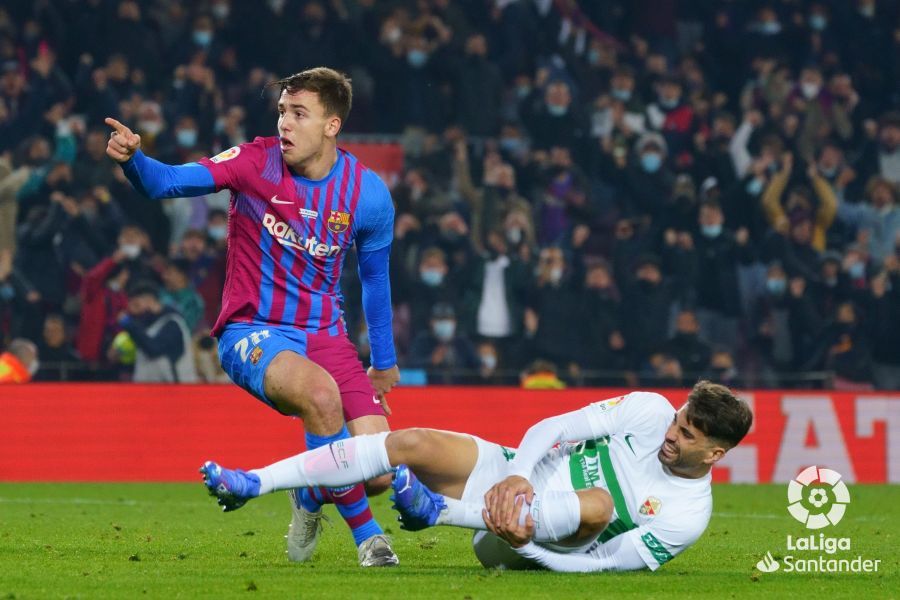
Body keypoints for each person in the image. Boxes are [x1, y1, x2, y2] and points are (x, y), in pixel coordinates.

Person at [104, 67, 401, 567]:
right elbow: (169, 183)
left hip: (328, 337)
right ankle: (371, 541)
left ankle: (308, 494)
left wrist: (384, 361)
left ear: (332, 125)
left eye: (298, 113)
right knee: (321, 398)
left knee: (377, 473)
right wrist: (135, 160)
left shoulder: (367, 194)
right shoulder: (252, 161)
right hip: (253, 330)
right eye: (282, 110)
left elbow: (375, 280)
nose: (284, 122)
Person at [201, 381, 752, 572]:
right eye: (680, 419)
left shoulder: (687, 516)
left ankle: (439, 513)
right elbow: (555, 426)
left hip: (522, 543)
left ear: (714, 454)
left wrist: (528, 545)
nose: (673, 433)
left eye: (689, 434)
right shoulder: (651, 411)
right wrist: (515, 474)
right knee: (411, 442)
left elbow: (599, 568)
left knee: (600, 508)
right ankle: (256, 481)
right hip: (511, 476)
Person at [118, 282, 198, 384]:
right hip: (152, 391)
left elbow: (154, 349)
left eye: (136, 305)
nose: (132, 310)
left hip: (176, 392)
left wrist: (129, 323)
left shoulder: (172, 322)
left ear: (149, 300)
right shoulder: (146, 324)